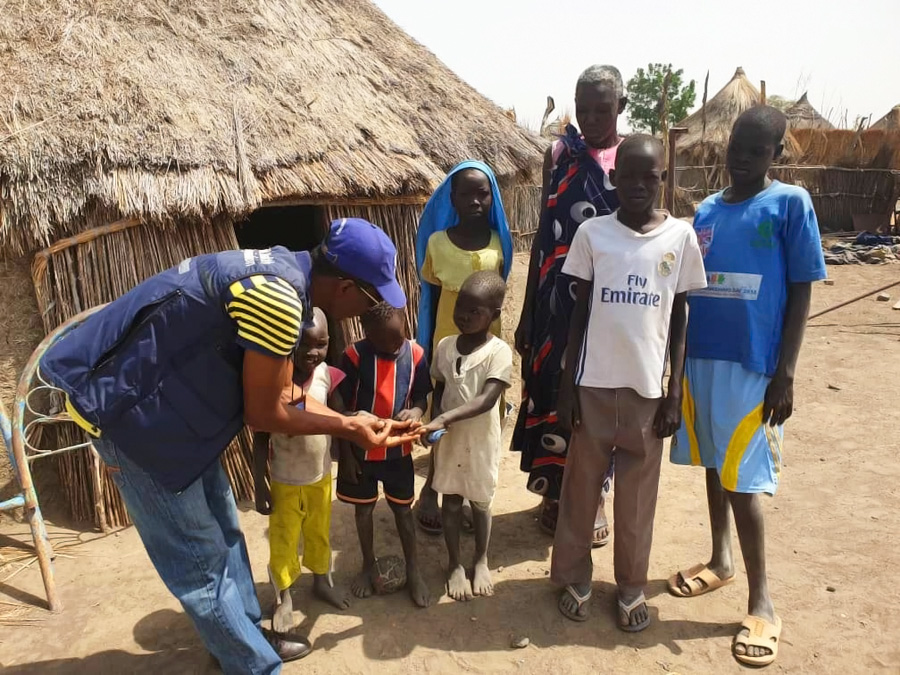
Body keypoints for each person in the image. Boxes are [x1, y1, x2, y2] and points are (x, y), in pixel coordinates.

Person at [40, 218, 420, 674]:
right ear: (343, 288)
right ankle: (255, 665)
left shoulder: (285, 274)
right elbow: (265, 413)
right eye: (372, 297)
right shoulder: (277, 299)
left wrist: (351, 419)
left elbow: (280, 393)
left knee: (224, 528)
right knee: (202, 566)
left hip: (173, 413)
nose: (370, 309)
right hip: (136, 420)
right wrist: (349, 430)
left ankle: (243, 639)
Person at [668, 106, 826, 667]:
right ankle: (721, 559)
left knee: (743, 478)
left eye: (756, 151)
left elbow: (803, 287)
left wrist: (786, 372)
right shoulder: (707, 210)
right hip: (703, 361)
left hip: (754, 364)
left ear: (775, 155)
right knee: (715, 464)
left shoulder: (790, 203)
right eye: (737, 146)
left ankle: (763, 603)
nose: (741, 157)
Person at [551, 135, 707, 630]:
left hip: (647, 392)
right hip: (593, 385)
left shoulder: (679, 238)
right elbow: (579, 312)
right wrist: (566, 380)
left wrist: (674, 389)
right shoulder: (593, 235)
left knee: (638, 498)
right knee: (581, 487)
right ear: (613, 178)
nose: (638, 185)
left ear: (665, 179)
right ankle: (574, 575)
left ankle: (632, 585)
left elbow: (680, 317)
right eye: (629, 175)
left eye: (650, 176)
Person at [513, 64, 626, 544]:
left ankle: (596, 491)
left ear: (621, 106)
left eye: (603, 108)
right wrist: (527, 311)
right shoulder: (558, 152)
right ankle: (553, 490)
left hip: (609, 301)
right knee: (551, 385)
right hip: (556, 295)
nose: (593, 118)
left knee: (598, 394)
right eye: (583, 109)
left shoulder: (633, 157)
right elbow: (543, 228)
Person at [414, 160, 513, 536]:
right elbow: (432, 295)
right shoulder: (437, 244)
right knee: (444, 410)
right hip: (447, 339)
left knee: (482, 417)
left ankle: (473, 493)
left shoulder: (498, 243)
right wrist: (430, 345)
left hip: (488, 340)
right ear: (451, 198)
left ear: (493, 198)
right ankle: (432, 491)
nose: (475, 200)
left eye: (482, 193)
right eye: (466, 193)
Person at [251, 308, 350, 633]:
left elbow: (341, 423)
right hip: (284, 481)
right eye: (303, 344)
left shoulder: (326, 376)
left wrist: (348, 461)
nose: (312, 352)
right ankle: (284, 596)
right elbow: (261, 437)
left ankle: (322, 580)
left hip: (319, 476)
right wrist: (259, 484)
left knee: (319, 532)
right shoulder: (274, 382)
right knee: (284, 539)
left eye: (320, 344)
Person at [420, 271, 513, 601]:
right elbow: (440, 388)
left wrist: (443, 417)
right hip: (450, 440)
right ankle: (455, 564)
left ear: (494, 315)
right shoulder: (445, 346)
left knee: (481, 502)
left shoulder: (499, 353)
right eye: (461, 306)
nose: (464, 315)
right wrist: (432, 429)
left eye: (475, 311)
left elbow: (487, 400)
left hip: (480, 443)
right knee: (451, 501)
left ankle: (481, 559)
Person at [336, 303, 432, 608]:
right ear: (368, 335)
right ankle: (367, 564)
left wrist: (416, 410)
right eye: (385, 342)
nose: (394, 347)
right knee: (363, 511)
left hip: (398, 450)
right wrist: (347, 454)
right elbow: (338, 402)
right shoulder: (353, 356)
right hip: (361, 452)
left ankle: (414, 570)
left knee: (403, 510)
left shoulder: (416, 355)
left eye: (398, 339)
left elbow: (421, 395)